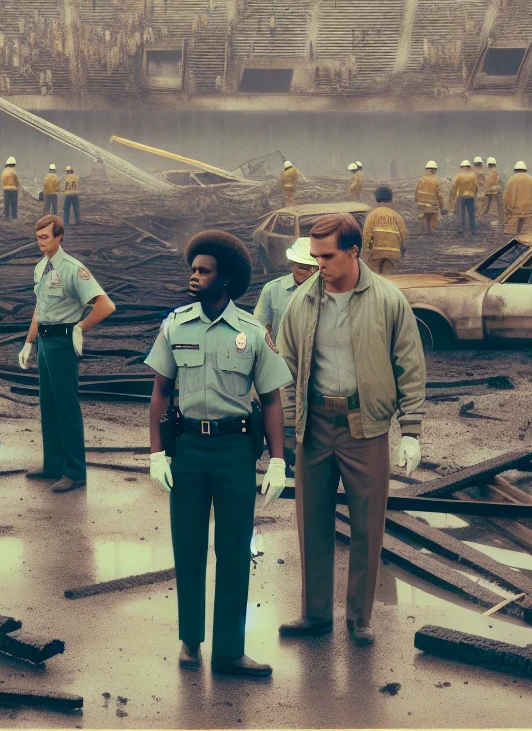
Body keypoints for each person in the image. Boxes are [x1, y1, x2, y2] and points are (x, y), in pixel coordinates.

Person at [276, 212, 425, 646]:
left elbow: (410, 367)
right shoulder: (302, 302)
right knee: (312, 523)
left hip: (366, 426)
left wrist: (411, 430)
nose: (318, 263)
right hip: (316, 424)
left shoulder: (387, 300)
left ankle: (360, 617)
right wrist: (287, 429)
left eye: (327, 255)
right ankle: (316, 614)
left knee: (367, 525)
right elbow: (285, 367)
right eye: (314, 255)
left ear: (353, 251)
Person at [146, 230, 291, 677]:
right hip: (188, 448)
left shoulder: (251, 332)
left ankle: (229, 650)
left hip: (233, 451)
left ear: (223, 280)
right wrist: (157, 454)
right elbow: (159, 394)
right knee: (187, 548)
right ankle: (190, 642)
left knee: (233, 552)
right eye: (192, 269)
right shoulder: (175, 325)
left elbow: (271, 400)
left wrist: (278, 461)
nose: (194, 276)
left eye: (203, 271)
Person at [19, 214, 115, 493]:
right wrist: (28, 342)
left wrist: (81, 327)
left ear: (59, 237)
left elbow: (106, 305)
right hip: (45, 343)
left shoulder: (73, 269)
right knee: (48, 405)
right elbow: (40, 308)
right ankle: (53, 464)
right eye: (38, 238)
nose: (40, 243)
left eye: (45, 238)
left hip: (63, 342)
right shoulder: (40, 268)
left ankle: (75, 471)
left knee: (66, 407)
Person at [253, 237, 317, 354]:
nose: (309, 271)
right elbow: (258, 326)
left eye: (314, 268)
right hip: (280, 359)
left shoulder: (326, 292)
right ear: (293, 264)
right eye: (302, 266)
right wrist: (264, 335)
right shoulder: (272, 290)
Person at [362, 186, 408, 276]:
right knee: (388, 276)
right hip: (393, 252)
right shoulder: (397, 216)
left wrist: (365, 250)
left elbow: (366, 233)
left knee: (375, 276)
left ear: (376, 199)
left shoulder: (373, 215)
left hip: (376, 252)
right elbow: (404, 234)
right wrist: (402, 248)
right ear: (390, 200)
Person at [501, 160, 532, 234]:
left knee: (512, 233)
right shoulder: (531, 180)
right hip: (529, 210)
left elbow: (506, 196)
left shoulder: (512, 179)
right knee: (527, 234)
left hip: (514, 211)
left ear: (515, 169)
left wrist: (507, 208)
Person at [450, 160, 479, 235]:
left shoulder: (459, 176)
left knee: (461, 214)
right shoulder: (473, 175)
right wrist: (475, 195)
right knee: (471, 214)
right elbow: (476, 187)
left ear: (462, 167)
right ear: (469, 167)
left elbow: (454, 187)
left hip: (461, 196)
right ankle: (473, 230)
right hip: (470, 196)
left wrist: (453, 198)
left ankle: (462, 229)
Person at [413, 161, 442, 235]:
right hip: (432, 205)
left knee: (424, 218)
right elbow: (439, 194)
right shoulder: (436, 181)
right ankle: (432, 231)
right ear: (434, 170)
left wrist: (417, 201)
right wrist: (441, 205)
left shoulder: (420, 180)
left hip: (422, 204)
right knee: (433, 219)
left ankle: (425, 232)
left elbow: (416, 192)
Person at [479, 157, 503, 225]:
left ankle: (482, 219)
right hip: (495, 192)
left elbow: (489, 183)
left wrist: (486, 190)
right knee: (495, 207)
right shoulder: (496, 172)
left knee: (486, 207)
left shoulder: (490, 172)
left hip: (490, 192)